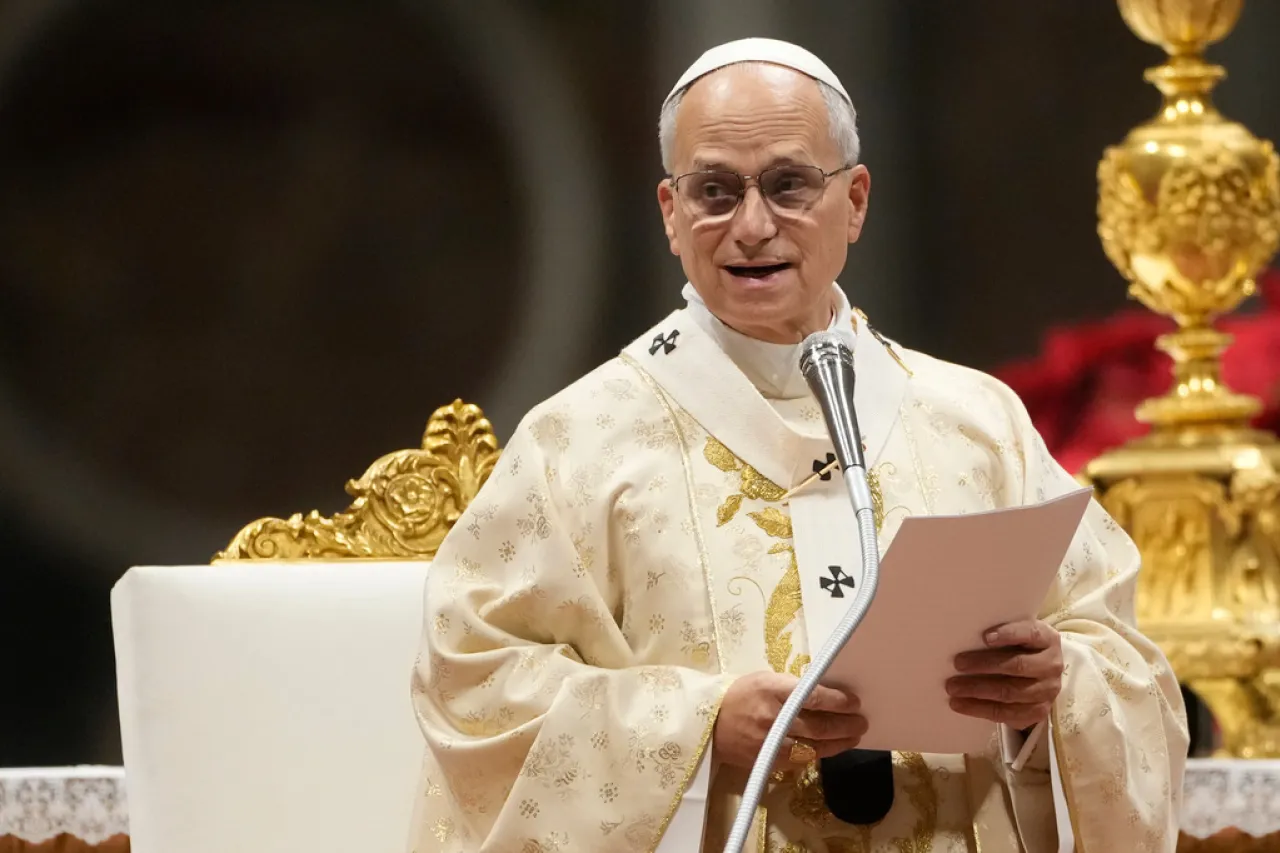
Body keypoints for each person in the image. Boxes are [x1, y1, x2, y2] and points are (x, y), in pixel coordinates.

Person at [408, 37, 1188, 853]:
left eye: (788, 186)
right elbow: (474, 688)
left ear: (854, 200)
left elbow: (1128, 667)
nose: (752, 226)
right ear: (671, 214)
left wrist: (1049, 692)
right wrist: (700, 728)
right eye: (715, 190)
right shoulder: (577, 443)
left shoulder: (976, 422)